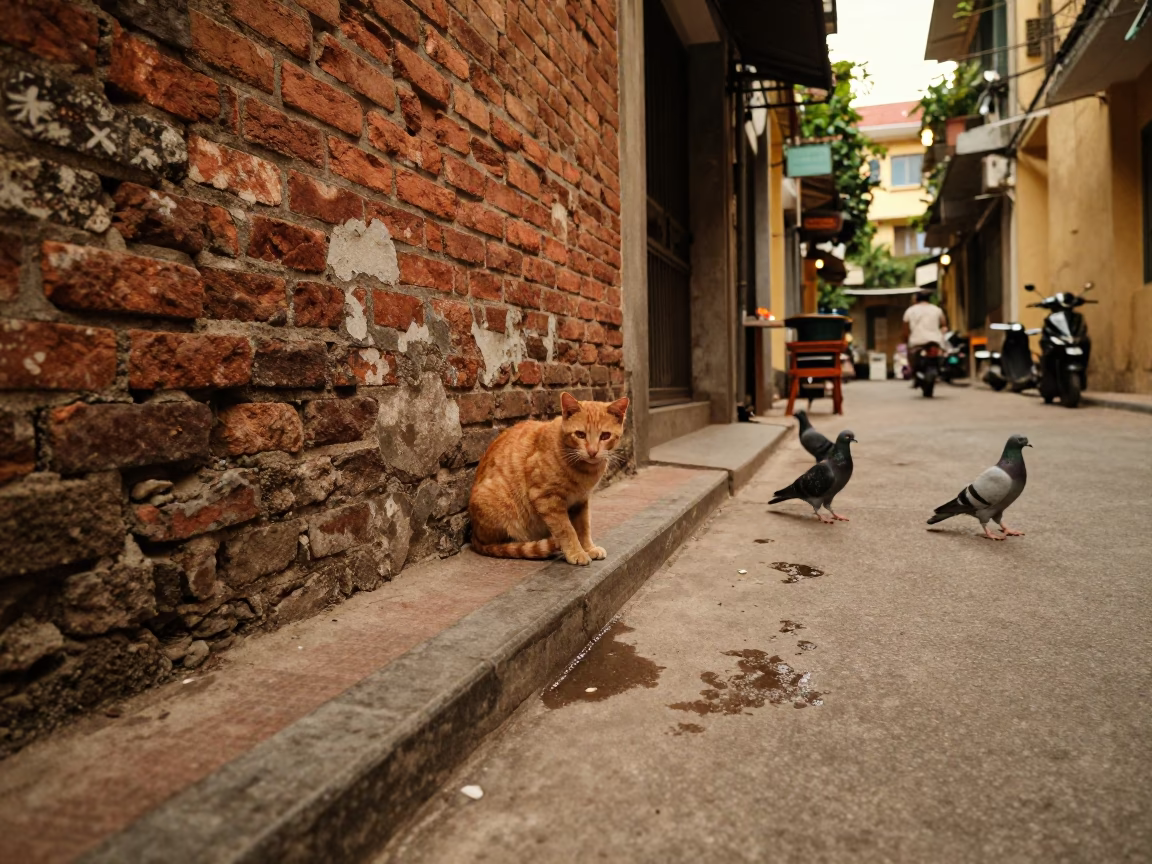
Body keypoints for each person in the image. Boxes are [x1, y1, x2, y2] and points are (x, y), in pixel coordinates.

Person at [902, 289, 948, 384]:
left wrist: (906, 341)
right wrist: (942, 333)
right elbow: (944, 325)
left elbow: (905, 330)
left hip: (916, 341)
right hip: (935, 341)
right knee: (942, 354)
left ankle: (914, 374)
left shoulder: (910, 311)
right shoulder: (937, 310)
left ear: (916, 299)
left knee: (911, 356)